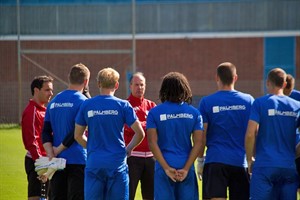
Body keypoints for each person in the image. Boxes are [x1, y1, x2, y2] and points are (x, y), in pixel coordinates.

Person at [74, 67, 145, 200]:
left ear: (99, 83)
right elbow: (140, 133)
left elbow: (77, 135)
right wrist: (128, 149)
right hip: (116, 163)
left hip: (94, 163)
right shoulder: (123, 105)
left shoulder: (87, 105)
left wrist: (91, 148)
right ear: (117, 85)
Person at [197, 62, 254, 200]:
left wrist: (199, 159)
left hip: (215, 160)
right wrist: (251, 158)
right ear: (235, 78)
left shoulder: (206, 102)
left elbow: (202, 134)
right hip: (240, 162)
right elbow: (254, 133)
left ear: (217, 77)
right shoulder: (249, 100)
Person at [146, 72, 203, 200]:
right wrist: (187, 168)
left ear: (164, 89)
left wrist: (166, 168)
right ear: (184, 88)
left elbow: (152, 142)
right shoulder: (194, 113)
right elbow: (198, 143)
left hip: (163, 167)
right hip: (186, 167)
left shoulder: (154, 112)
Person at [245, 68, 300, 199]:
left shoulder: (260, 103)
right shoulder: (297, 105)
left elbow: (250, 134)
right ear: (285, 84)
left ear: (267, 83)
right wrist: (295, 153)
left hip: (264, 166)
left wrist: (249, 159)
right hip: (288, 167)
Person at [42, 63, 90, 200]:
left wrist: (51, 151)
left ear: (69, 78)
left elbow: (45, 131)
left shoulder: (54, 100)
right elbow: (77, 131)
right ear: (86, 82)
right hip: (78, 159)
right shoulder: (84, 102)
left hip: (57, 161)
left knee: (57, 196)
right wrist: (58, 149)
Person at [124, 72, 156, 200]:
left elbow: (156, 128)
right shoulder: (125, 105)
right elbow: (127, 127)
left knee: (151, 196)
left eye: (142, 85)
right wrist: (146, 125)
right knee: (128, 195)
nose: (139, 87)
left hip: (150, 158)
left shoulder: (151, 105)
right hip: (132, 157)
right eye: (136, 85)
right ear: (130, 86)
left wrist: (138, 125)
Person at [21, 75, 54, 200]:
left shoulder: (45, 110)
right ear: (36, 90)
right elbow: (31, 141)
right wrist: (41, 165)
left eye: (51, 90)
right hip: (38, 163)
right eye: (47, 90)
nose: (51, 93)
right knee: (36, 198)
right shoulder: (31, 112)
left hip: (47, 162)